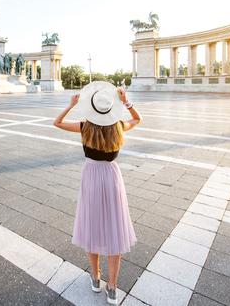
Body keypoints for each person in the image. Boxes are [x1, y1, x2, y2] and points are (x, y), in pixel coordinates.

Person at [53, 81, 142, 304]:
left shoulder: (85, 127)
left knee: (92, 227)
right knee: (114, 229)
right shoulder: (120, 126)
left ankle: (95, 277)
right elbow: (138, 119)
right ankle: (112, 286)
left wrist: (71, 105)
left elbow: (57, 122)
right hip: (112, 178)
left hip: (91, 176)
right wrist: (126, 101)